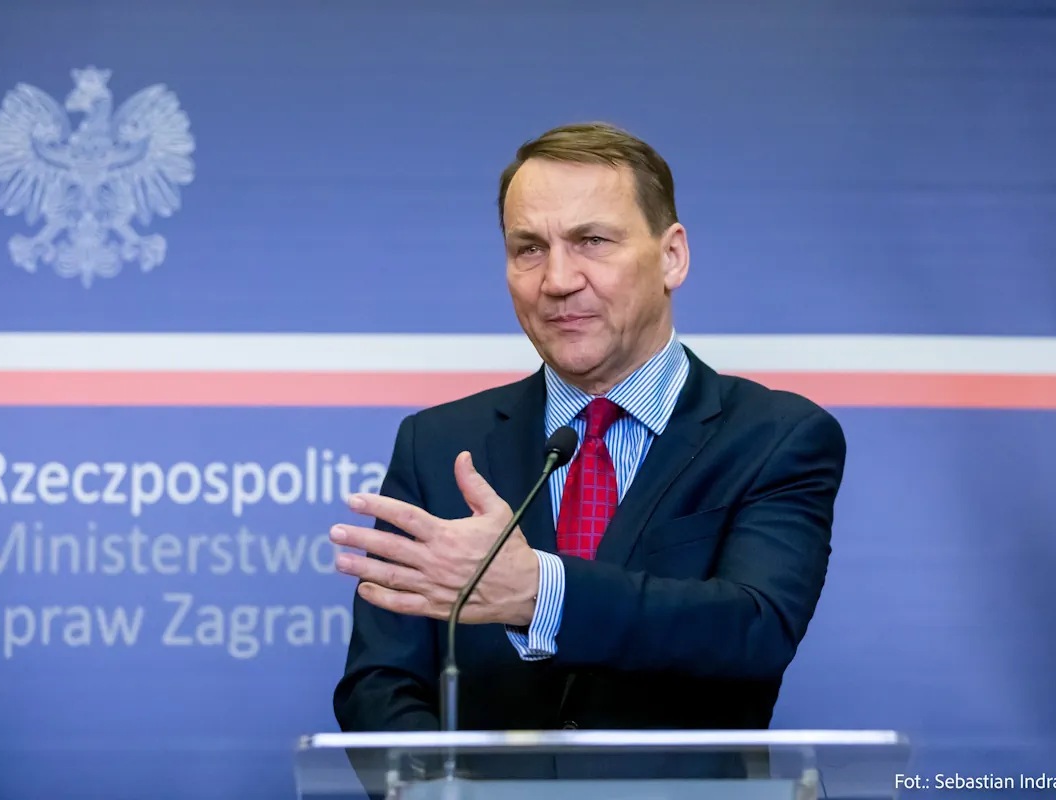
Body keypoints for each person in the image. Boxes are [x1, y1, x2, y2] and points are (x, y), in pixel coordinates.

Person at [330, 122, 846, 785]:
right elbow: (380, 684)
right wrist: (444, 793)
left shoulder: (776, 435)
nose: (557, 280)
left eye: (592, 242)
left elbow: (754, 629)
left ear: (672, 257)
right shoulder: (437, 444)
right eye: (529, 248)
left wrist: (539, 592)